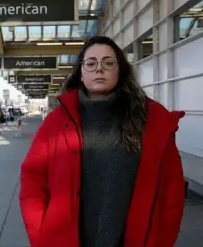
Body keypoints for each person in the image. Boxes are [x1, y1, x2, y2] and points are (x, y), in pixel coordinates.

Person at [19, 36, 185, 247]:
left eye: (108, 62)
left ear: (120, 70)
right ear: (81, 72)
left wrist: (162, 241)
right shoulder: (57, 122)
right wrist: (42, 237)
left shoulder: (152, 120)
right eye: (91, 63)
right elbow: (33, 179)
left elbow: (172, 191)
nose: (99, 69)